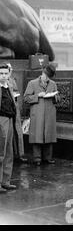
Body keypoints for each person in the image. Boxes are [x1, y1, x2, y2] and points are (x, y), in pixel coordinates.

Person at [24, 64, 60, 166]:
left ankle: (48, 157)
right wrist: (37, 96)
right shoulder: (32, 83)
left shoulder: (53, 84)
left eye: (49, 77)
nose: (47, 79)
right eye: (46, 76)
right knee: (37, 135)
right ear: (42, 73)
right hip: (37, 113)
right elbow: (26, 98)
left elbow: (58, 98)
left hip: (49, 113)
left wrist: (54, 96)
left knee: (49, 134)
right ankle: (37, 158)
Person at [0, 63, 19, 194]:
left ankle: (5, 181)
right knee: (0, 153)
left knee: (9, 152)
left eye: (6, 73)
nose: (3, 76)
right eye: (1, 73)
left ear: (9, 74)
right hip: (1, 120)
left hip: (10, 120)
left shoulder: (9, 86)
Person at [6, 64, 27, 163]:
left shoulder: (12, 80)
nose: (10, 71)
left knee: (17, 130)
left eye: (10, 70)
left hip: (14, 107)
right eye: (9, 69)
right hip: (4, 110)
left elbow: (16, 92)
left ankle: (19, 154)